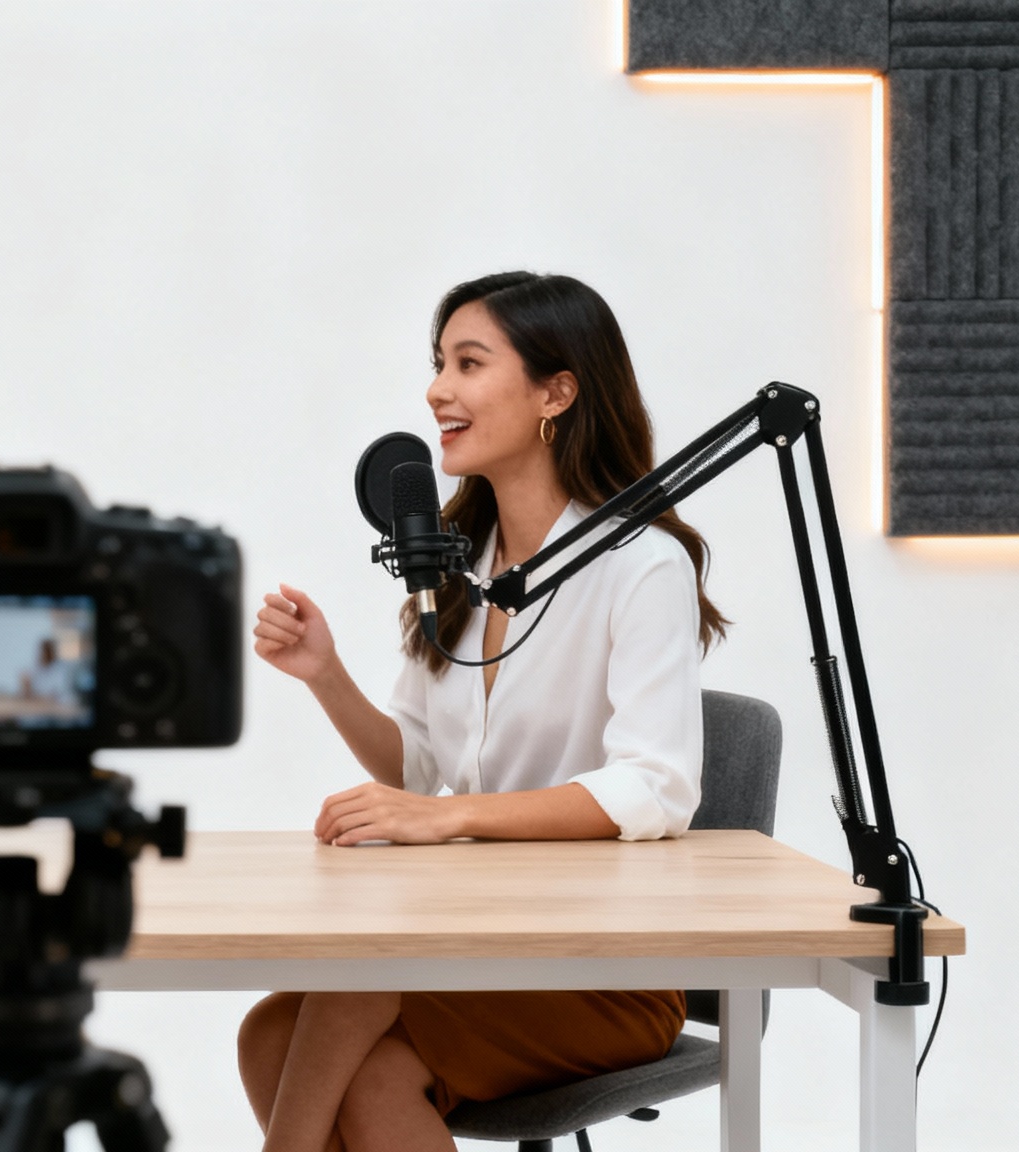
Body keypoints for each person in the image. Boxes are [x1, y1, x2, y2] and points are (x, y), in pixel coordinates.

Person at [237, 271, 726, 1152]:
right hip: (472, 938)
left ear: (556, 391)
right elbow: (421, 770)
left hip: (605, 965)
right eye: (437, 364)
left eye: (468, 362)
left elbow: (657, 789)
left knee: (353, 1001)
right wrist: (326, 675)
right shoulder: (458, 567)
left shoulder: (641, 566)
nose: (436, 390)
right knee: (271, 1032)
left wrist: (446, 818)